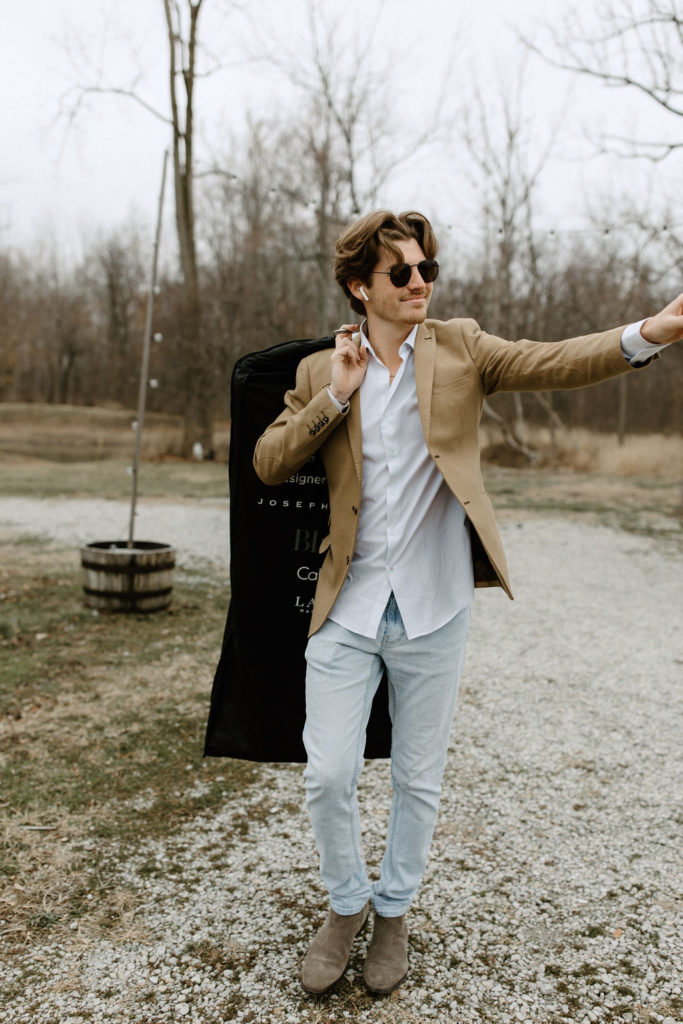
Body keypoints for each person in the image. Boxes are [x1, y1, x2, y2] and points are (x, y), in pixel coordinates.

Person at [253, 209, 682, 997]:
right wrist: (336, 398)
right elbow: (269, 463)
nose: (420, 282)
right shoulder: (324, 369)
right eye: (401, 273)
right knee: (328, 774)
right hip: (346, 606)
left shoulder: (459, 347)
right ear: (360, 288)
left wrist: (648, 331)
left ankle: (393, 911)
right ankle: (344, 904)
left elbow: (553, 360)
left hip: (433, 604)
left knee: (417, 779)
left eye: (426, 270)